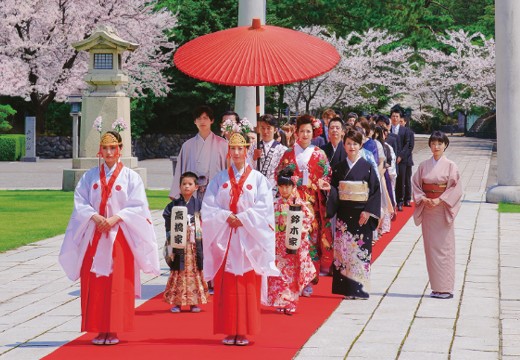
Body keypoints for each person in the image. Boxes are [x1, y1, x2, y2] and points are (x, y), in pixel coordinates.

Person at [59, 131, 160, 345]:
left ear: (120, 149)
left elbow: (138, 206)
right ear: (100, 150)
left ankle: (114, 329)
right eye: (105, 148)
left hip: (119, 235)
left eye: (113, 148)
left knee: (117, 283)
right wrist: (95, 216)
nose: (109, 152)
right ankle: (98, 329)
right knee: (95, 282)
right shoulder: (90, 176)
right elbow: (80, 201)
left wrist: (116, 218)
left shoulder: (131, 177)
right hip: (95, 234)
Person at [201, 132, 279, 346]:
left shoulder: (258, 180)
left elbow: (264, 208)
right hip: (225, 235)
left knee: (246, 283)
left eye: (240, 149)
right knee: (227, 284)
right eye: (232, 149)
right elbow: (209, 206)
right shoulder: (219, 179)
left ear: (246, 151)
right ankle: (229, 330)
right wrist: (227, 217)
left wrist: (243, 218)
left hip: (248, 237)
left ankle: (244, 330)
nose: (236, 153)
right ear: (229, 152)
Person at [320, 129, 381, 299]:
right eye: (348, 143)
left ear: (361, 145)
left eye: (355, 143)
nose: (351, 146)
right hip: (344, 215)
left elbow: (375, 191)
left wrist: (368, 211)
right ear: (344, 145)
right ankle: (347, 289)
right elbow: (334, 190)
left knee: (361, 250)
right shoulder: (339, 167)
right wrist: (329, 189)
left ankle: (359, 290)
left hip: (362, 214)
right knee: (344, 251)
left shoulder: (368, 167)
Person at [276, 114, 332, 292]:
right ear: (296, 132)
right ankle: (293, 278)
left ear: (313, 133)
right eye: (302, 131)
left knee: (310, 242)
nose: (305, 134)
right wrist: (294, 179)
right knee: (292, 240)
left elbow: (327, 174)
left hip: (312, 205)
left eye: (308, 131)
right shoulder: (288, 153)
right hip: (291, 204)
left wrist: (323, 183)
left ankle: (308, 280)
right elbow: (280, 175)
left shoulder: (319, 153)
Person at [412, 131, 462, 299]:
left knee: (445, 248)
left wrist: (440, 199)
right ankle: (436, 286)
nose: (436, 146)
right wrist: (423, 199)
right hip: (428, 210)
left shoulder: (451, 166)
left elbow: (455, 188)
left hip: (442, 210)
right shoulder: (423, 165)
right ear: (430, 145)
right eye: (433, 143)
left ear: (445, 145)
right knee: (431, 248)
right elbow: (416, 185)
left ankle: (446, 288)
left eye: (440, 143)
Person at [267, 167, 316, 315]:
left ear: (293, 187)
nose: (284, 190)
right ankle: (280, 301)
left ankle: (291, 302)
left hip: (292, 243)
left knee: (292, 274)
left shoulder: (299, 204)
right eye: (281, 186)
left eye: (287, 186)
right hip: (278, 244)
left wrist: (299, 230)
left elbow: (308, 219)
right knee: (278, 273)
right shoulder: (274, 204)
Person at [163, 171, 209, 313]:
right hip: (179, 244)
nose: (186, 187)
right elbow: (167, 219)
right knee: (178, 271)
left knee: (195, 271)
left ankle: (194, 302)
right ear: (179, 186)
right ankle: (177, 302)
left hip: (195, 245)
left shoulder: (199, 205)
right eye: (184, 184)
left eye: (190, 184)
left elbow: (206, 221)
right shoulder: (173, 205)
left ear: (196, 187)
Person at [169, 105, 228, 201]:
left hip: (216, 190)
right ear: (195, 121)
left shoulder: (223, 144)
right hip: (193, 190)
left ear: (211, 120)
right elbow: (180, 170)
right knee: (193, 215)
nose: (202, 121)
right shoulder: (187, 145)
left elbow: (229, 170)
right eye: (199, 118)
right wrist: (176, 192)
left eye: (205, 118)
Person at [248, 114, 287, 193]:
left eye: (268, 128)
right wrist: (254, 158)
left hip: (274, 189)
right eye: (262, 128)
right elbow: (247, 167)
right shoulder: (254, 147)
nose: (265, 131)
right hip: (256, 188)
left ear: (275, 130)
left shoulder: (282, 149)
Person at [390, 106, 413, 211]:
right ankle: (391, 200)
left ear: (400, 118)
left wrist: (400, 156)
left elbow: (407, 145)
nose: (395, 118)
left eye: (397, 116)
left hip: (401, 160)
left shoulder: (405, 130)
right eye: (393, 116)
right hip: (390, 160)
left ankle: (400, 201)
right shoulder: (388, 129)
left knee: (401, 180)